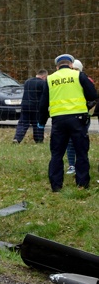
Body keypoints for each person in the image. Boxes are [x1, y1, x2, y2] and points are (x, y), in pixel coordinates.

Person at [39, 53, 97, 191]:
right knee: (81, 153)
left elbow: (43, 104)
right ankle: (82, 184)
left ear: (57, 66)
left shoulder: (50, 79)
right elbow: (93, 95)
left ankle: (56, 186)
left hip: (58, 121)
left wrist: (41, 122)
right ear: (71, 65)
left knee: (57, 154)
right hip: (78, 120)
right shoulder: (78, 76)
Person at [64, 59, 94, 174]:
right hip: (67, 115)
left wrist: (86, 106)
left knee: (81, 141)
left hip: (82, 116)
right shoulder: (65, 81)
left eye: (76, 69)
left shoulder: (85, 80)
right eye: (73, 69)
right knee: (69, 142)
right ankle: (72, 164)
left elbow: (92, 96)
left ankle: (81, 164)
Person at [12, 69, 47, 143]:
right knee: (37, 123)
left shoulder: (27, 81)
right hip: (36, 107)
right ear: (44, 76)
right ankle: (39, 140)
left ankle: (17, 138)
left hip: (25, 105)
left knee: (23, 123)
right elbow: (44, 96)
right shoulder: (43, 83)